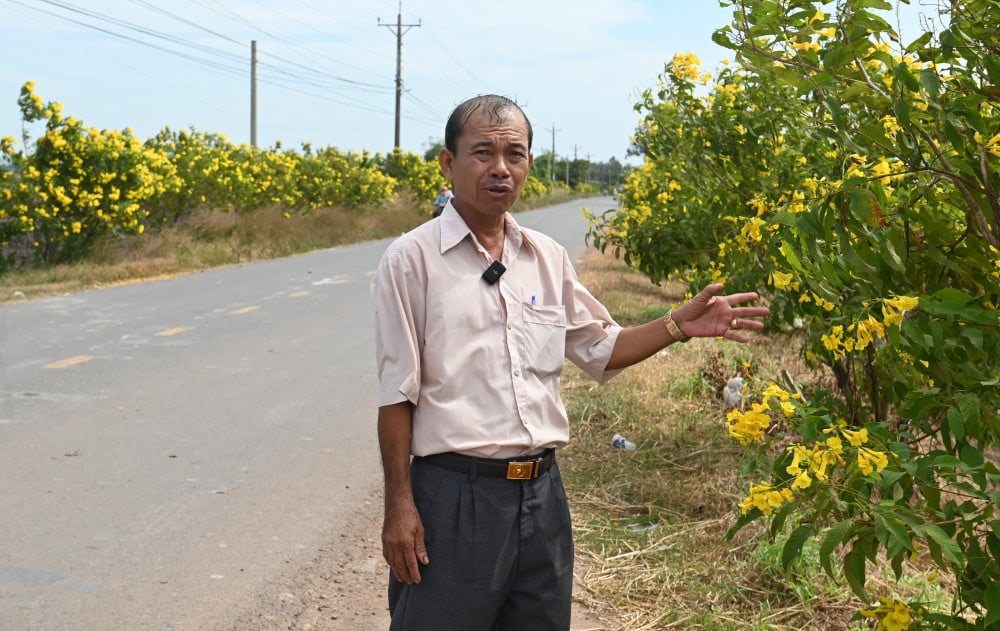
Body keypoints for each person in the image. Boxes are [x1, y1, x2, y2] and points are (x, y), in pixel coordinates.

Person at [371, 94, 769, 631]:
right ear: (448, 162)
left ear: (530, 163)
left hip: (542, 499)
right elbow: (397, 394)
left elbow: (602, 348)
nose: (500, 168)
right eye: (482, 152)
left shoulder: (545, 257)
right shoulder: (411, 259)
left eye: (515, 153)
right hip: (454, 500)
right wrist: (400, 505)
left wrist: (679, 325)